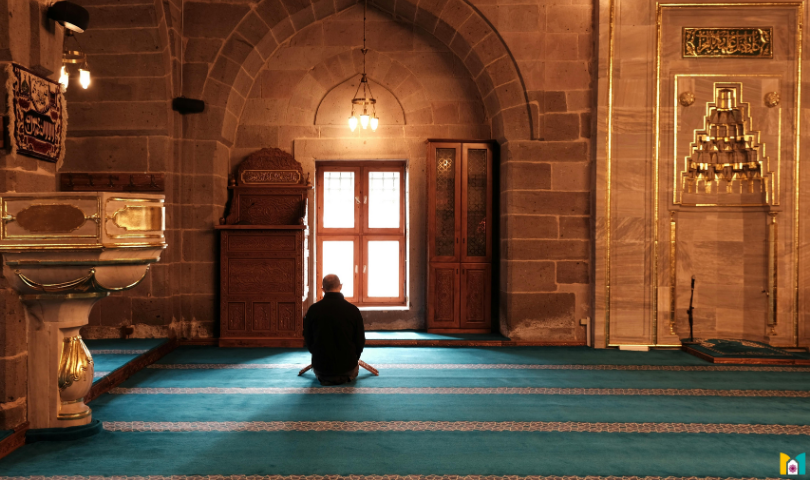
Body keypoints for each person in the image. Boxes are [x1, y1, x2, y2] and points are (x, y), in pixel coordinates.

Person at [303, 274, 366, 386]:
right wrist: (353, 358)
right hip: (348, 369)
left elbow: (308, 338)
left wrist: (317, 355)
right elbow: (360, 341)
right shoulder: (353, 310)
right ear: (340, 286)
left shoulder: (313, 310)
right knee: (350, 369)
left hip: (321, 369)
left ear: (323, 289)